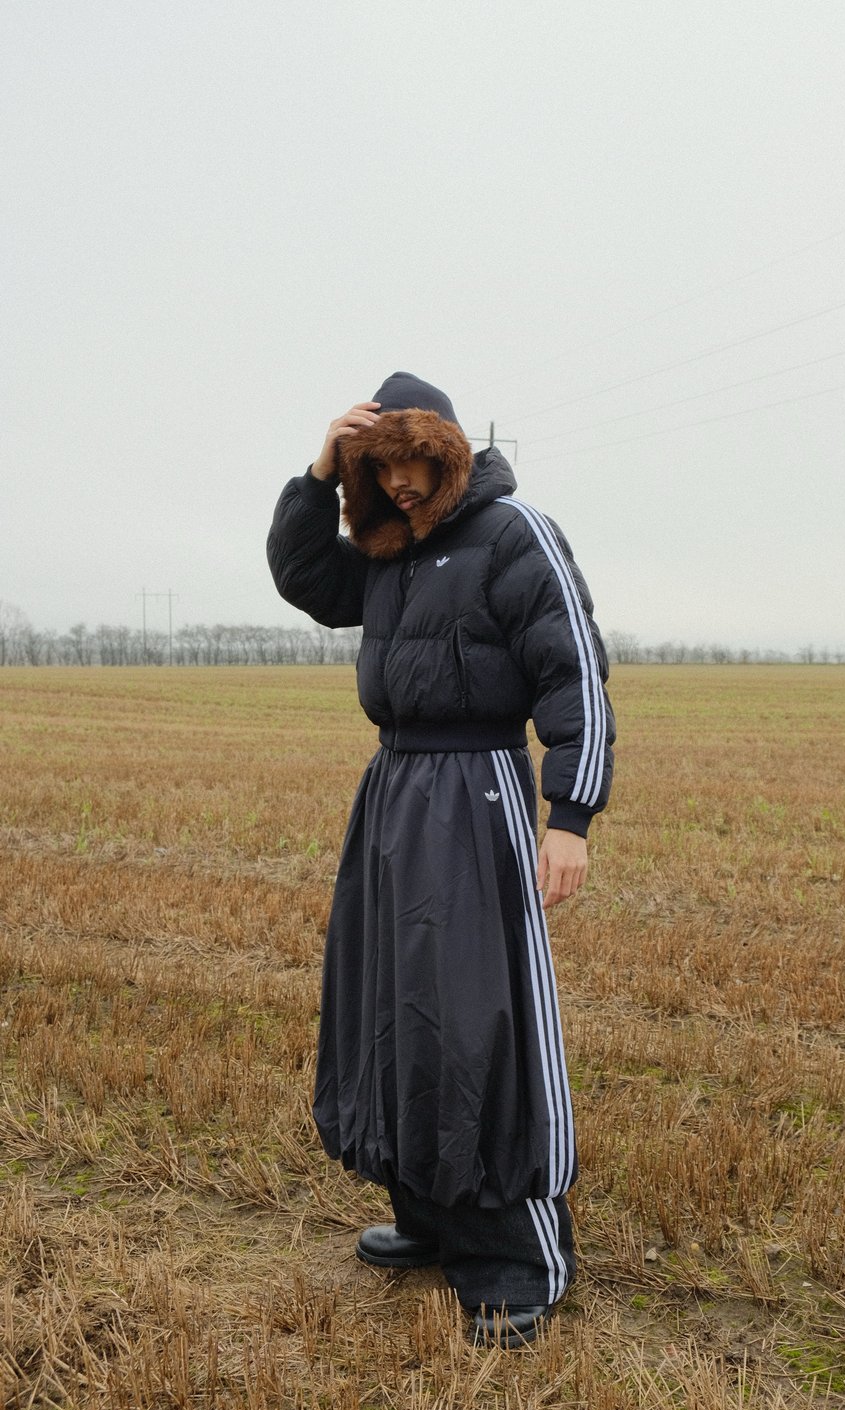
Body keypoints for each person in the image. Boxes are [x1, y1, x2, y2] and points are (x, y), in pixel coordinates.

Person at [267, 372, 614, 1348]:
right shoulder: (385, 551)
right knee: (393, 1010)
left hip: (479, 793)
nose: (400, 484)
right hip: (392, 792)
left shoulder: (512, 534)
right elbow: (302, 574)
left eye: (412, 462)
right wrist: (318, 472)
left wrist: (570, 814)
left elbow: (573, 667)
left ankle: (520, 1258)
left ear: (447, 450)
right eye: (379, 470)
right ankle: (428, 1213)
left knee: (474, 1022)